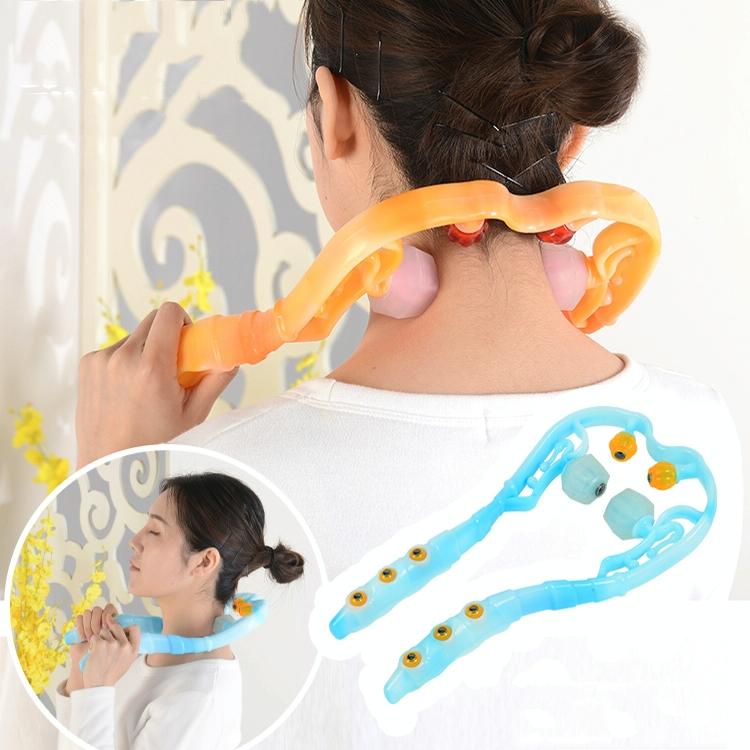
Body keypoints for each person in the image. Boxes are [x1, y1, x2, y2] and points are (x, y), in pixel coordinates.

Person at [73, 1, 744, 747]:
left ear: (334, 117)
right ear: (573, 132)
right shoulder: (700, 438)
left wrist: (108, 477)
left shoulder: (230, 482)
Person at [54, 472, 304, 750]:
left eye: (154, 531)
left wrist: (97, 689)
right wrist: (81, 676)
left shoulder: (199, 700)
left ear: (204, 562)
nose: (135, 540)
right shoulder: (143, 657)